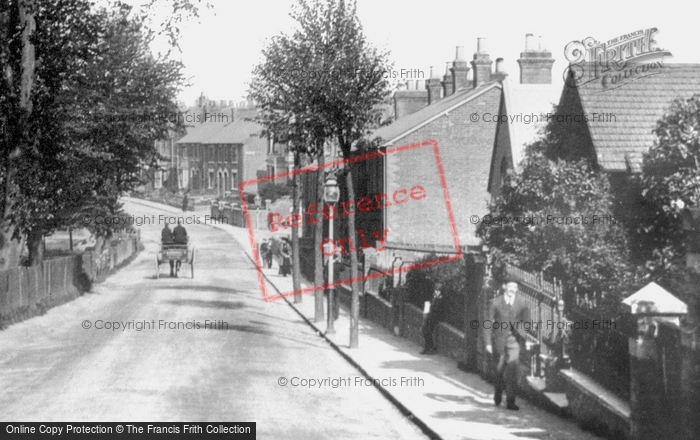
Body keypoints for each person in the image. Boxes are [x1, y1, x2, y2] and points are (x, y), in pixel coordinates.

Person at [483, 277, 531, 411]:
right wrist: (487, 342)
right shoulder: (495, 303)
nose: (513, 290)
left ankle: (510, 401)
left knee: (512, 369)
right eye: (510, 287)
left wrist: (522, 334)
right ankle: (498, 391)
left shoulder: (522, 303)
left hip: (514, 340)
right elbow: (487, 324)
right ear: (504, 286)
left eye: (515, 288)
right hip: (498, 340)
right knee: (499, 370)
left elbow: (527, 322)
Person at [421, 282, 444, 355]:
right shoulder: (433, 298)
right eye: (436, 290)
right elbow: (428, 306)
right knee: (424, 331)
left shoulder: (441, 299)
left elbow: (438, 310)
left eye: (438, 290)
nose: (437, 292)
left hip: (434, 318)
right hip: (429, 317)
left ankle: (430, 348)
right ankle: (427, 348)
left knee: (428, 332)